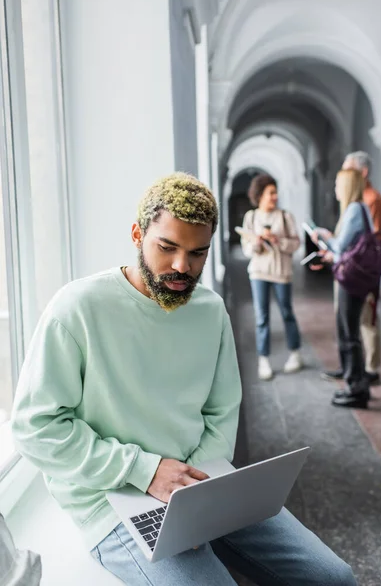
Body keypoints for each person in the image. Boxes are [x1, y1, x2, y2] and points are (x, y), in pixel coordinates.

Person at [11, 173, 356, 585]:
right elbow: (35, 427)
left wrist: (192, 501)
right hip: (112, 498)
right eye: (167, 247)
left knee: (334, 577)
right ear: (138, 234)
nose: (182, 267)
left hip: (201, 482)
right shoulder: (77, 308)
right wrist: (145, 470)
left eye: (197, 253)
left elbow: (221, 410)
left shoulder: (210, 311)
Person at [313, 169, 374, 408]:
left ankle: (356, 388)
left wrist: (324, 236)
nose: (335, 188)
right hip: (354, 277)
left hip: (351, 280)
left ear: (347, 185)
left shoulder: (354, 210)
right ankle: (356, 385)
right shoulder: (359, 209)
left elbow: (340, 246)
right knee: (349, 332)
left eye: (338, 184)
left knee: (348, 334)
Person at [241, 174, 303, 381]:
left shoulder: (285, 216)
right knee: (262, 317)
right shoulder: (251, 217)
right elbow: (247, 250)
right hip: (258, 273)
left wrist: (278, 241)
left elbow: (295, 244)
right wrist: (257, 243)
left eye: (276, 192)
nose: (275, 196)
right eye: (271, 193)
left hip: (281, 273)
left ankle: (295, 354)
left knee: (287, 313)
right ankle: (264, 360)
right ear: (260, 195)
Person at [341, 152, 381, 384]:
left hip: (363, 269)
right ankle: (354, 366)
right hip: (351, 266)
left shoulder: (372, 200)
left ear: (363, 172)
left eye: (349, 170)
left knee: (367, 319)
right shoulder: (357, 201)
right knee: (353, 320)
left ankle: (371, 368)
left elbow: (373, 239)